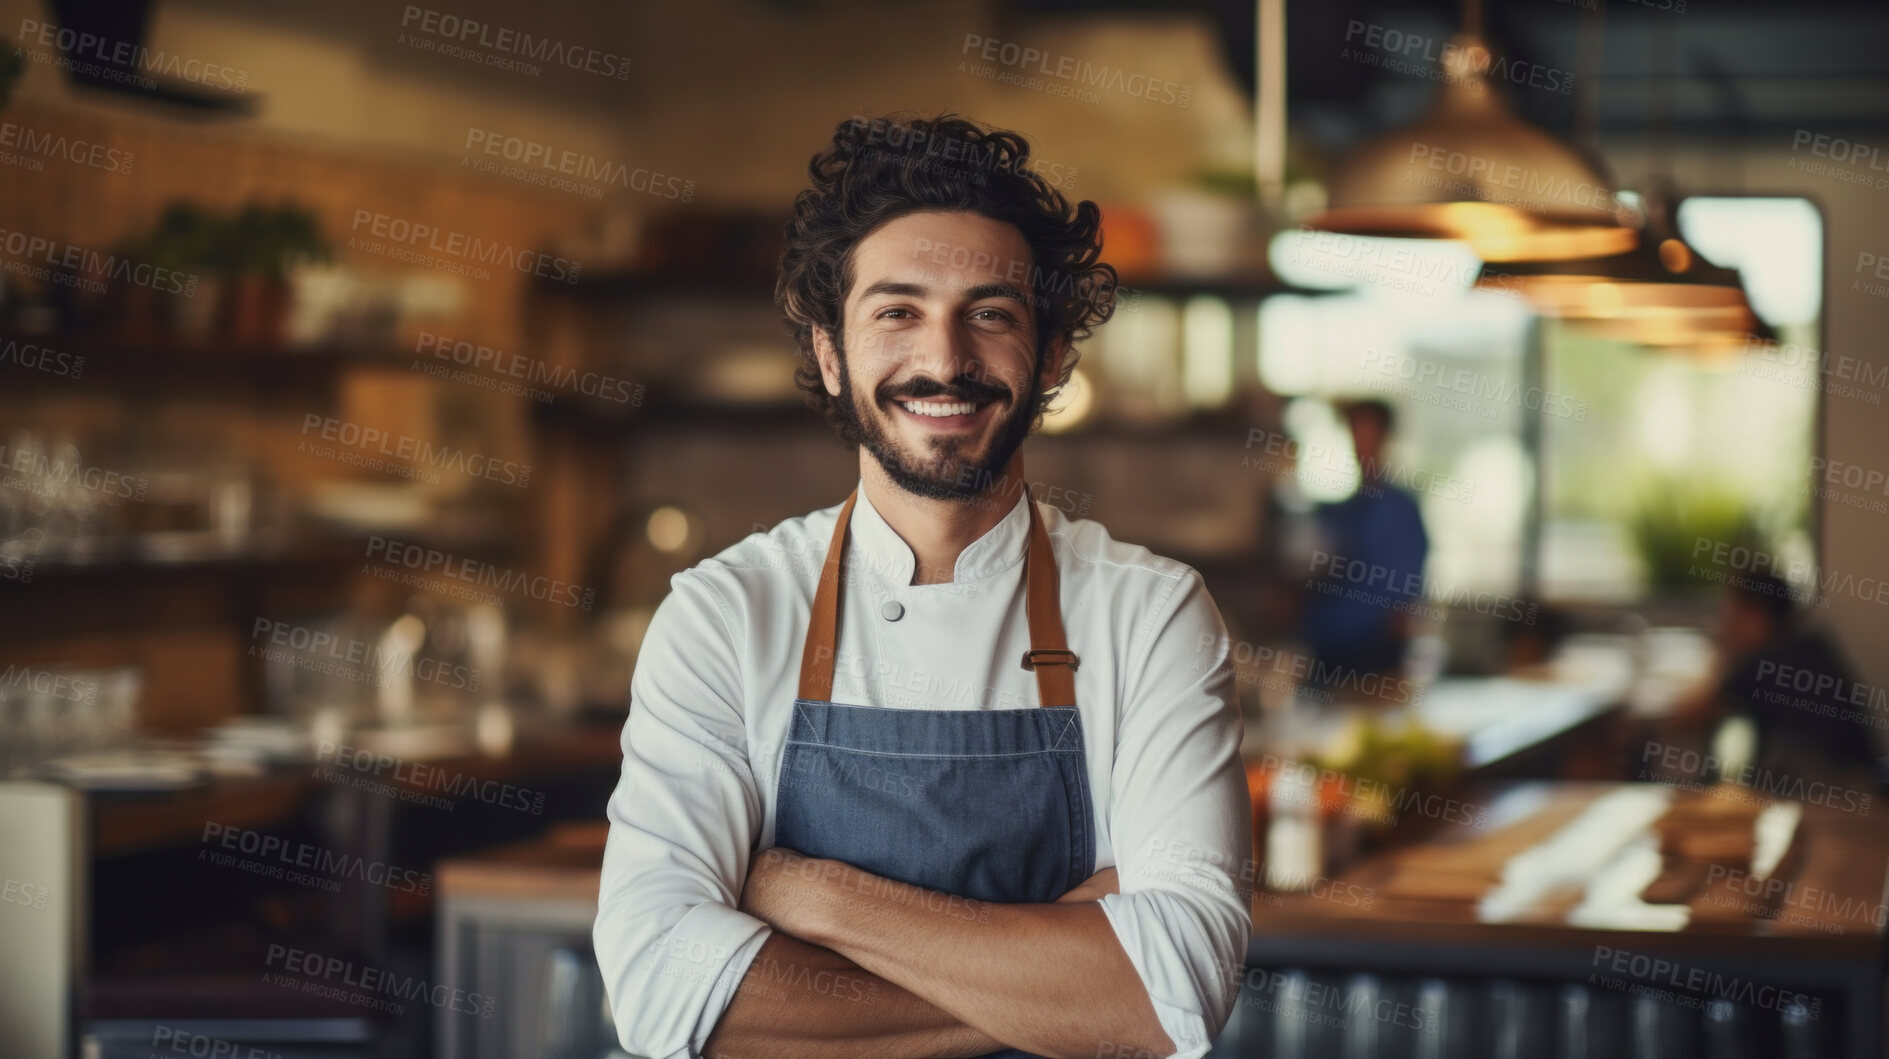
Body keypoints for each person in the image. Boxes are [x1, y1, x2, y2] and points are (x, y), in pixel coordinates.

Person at [593, 114, 1252, 1059]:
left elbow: (1171, 992)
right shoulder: (724, 614)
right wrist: (1069, 974)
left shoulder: (1148, 613)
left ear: (1053, 355)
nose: (944, 361)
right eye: (896, 311)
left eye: (989, 312)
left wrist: (810, 893)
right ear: (830, 353)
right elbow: (662, 991)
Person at [1674, 572, 1880, 783]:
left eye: (1732, 611)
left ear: (1755, 613)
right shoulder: (1810, 646)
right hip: (1860, 784)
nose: (1726, 622)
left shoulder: (1765, 662)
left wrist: (1724, 654)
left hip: (1831, 794)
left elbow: (1687, 718)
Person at [1297, 399, 1430, 689]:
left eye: (1370, 433)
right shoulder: (1335, 512)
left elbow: (1407, 597)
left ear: (1386, 438)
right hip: (1327, 651)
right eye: (1356, 432)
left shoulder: (1401, 512)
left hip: (1376, 654)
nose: (1362, 443)